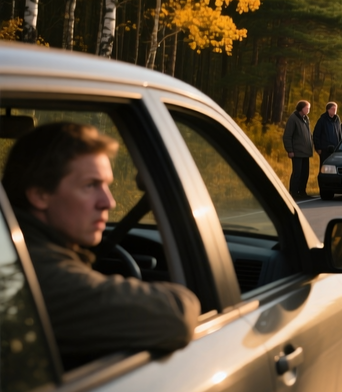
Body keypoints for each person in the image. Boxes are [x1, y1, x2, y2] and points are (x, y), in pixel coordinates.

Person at [0, 123, 200, 366]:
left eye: (107, 185)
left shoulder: (18, 251)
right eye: (90, 185)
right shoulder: (36, 272)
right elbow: (174, 318)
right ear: (40, 194)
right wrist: (187, 297)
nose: (109, 202)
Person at [282, 100, 314, 198]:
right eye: (307, 108)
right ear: (301, 108)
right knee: (297, 173)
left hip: (306, 152)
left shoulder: (306, 119)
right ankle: (294, 193)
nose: (308, 110)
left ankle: (302, 192)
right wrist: (290, 150)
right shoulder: (293, 119)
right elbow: (287, 136)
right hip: (297, 152)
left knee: (305, 173)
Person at [312, 102, 342, 166]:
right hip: (325, 149)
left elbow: (340, 134)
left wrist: (340, 146)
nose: (334, 110)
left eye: (335, 109)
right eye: (333, 109)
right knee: (324, 166)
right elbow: (316, 134)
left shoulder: (337, 120)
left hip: (335, 149)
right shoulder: (322, 120)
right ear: (328, 110)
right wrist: (318, 148)